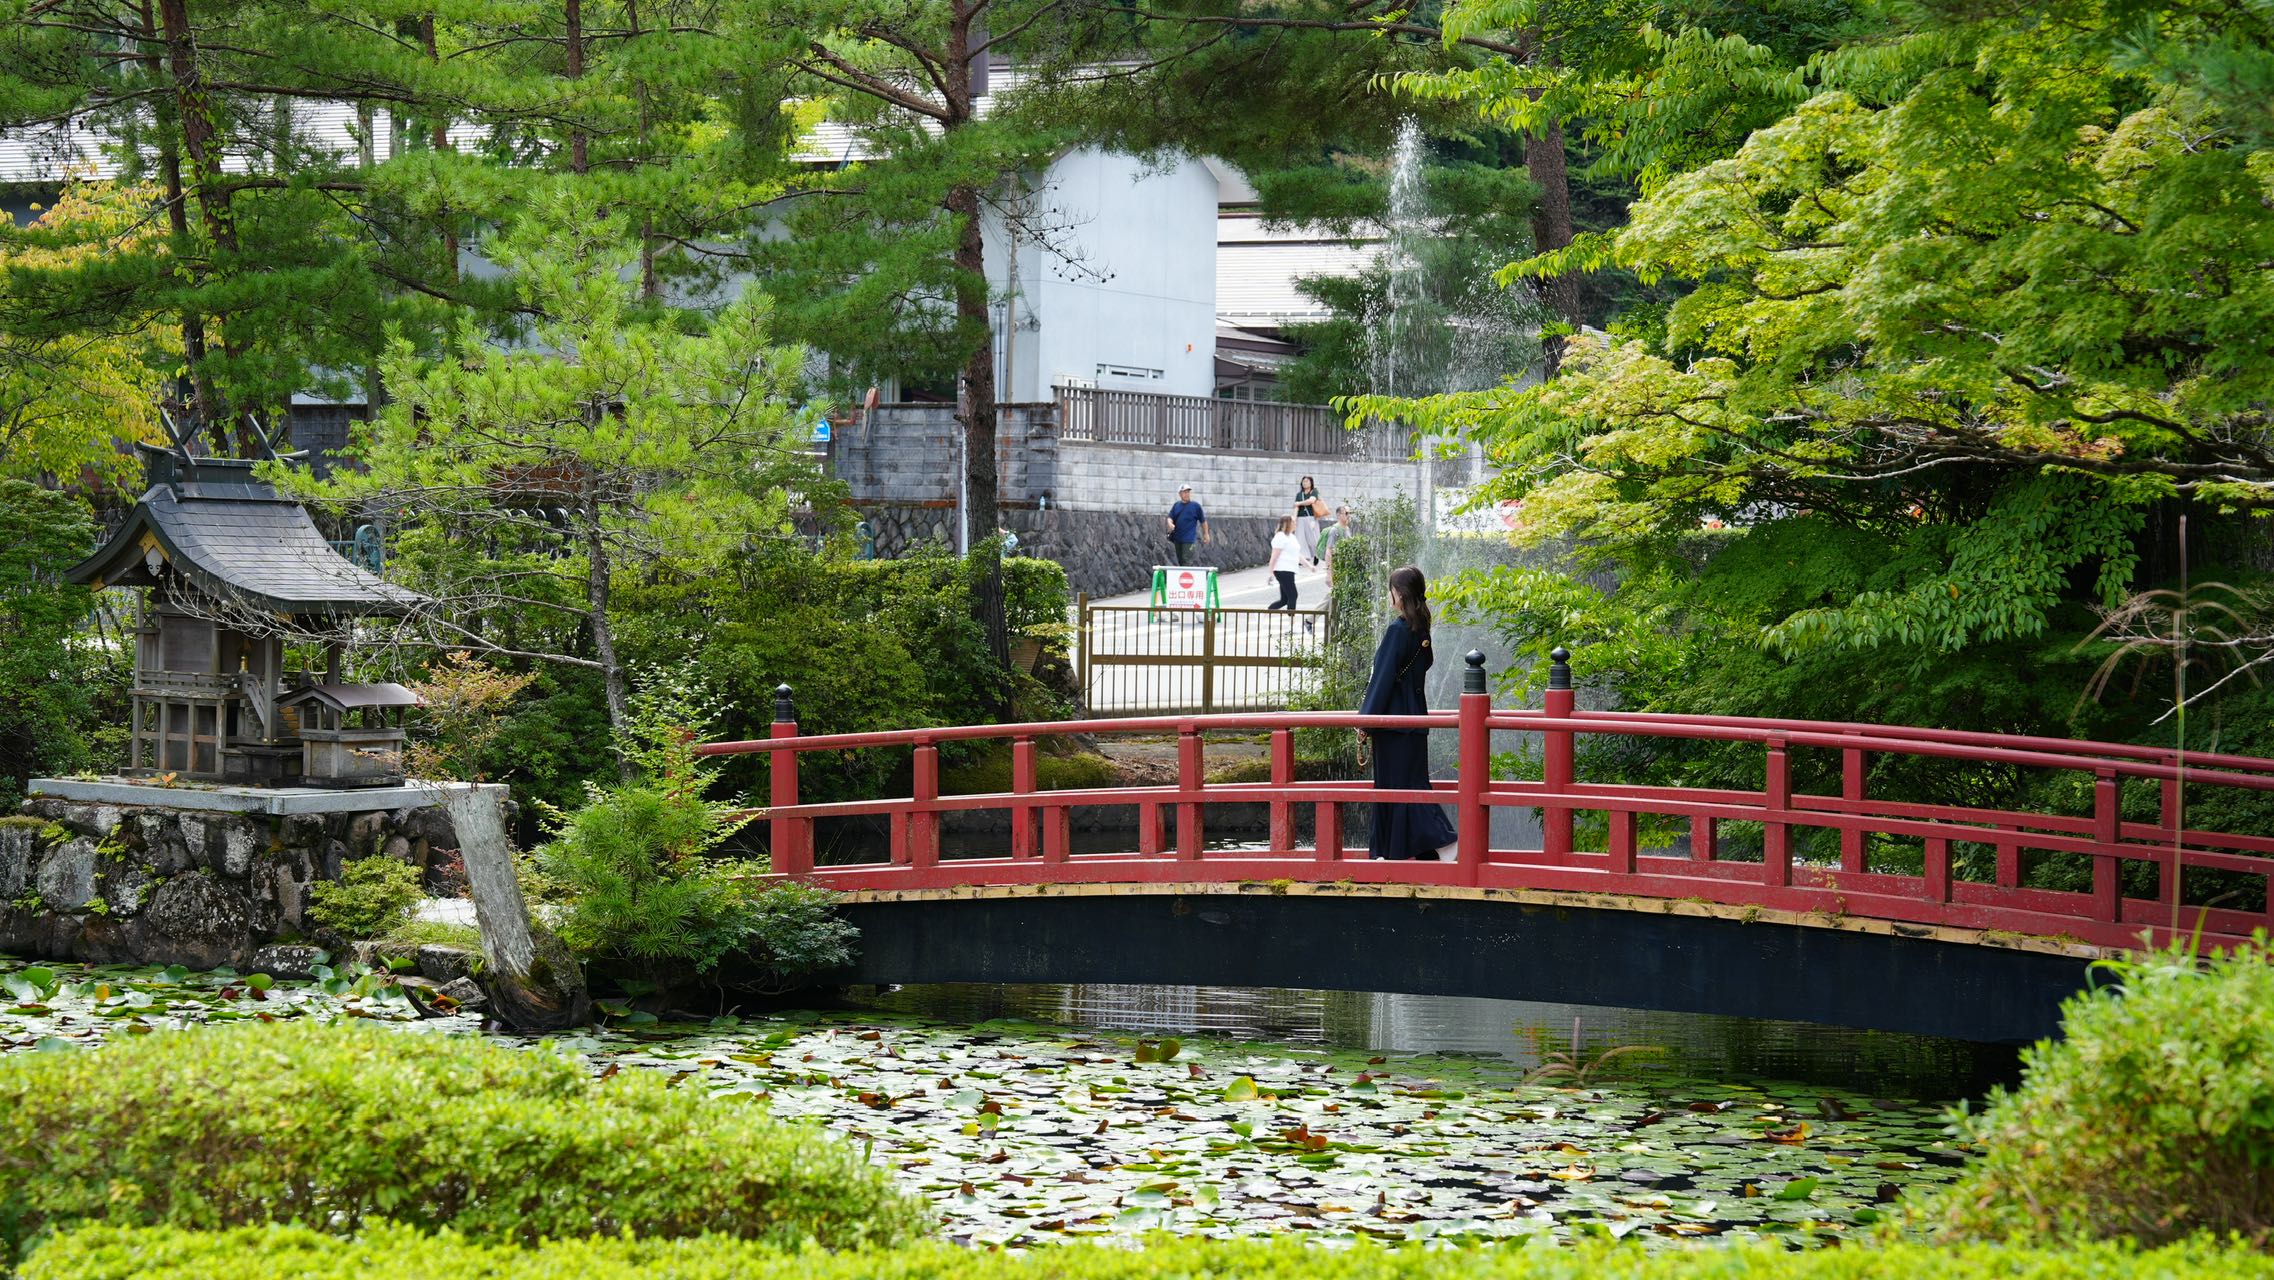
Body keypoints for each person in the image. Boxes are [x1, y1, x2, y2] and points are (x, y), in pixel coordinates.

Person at [1358, 565, 1458, 860]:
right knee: (1410, 787)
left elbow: (1382, 679)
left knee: (1395, 788)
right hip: (1414, 722)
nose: (1389, 596)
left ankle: (1443, 841)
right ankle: (1403, 853)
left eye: (1391, 590)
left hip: (1394, 725)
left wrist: (1365, 721)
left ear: (1399, 594)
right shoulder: (1420, 630)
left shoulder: (1397, 630)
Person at [1165, 484, 1209, 567]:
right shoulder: (1176, 505)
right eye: (1184, 492)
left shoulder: (1196, 506)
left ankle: (1187, 574)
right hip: (1177, 538)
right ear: (1180, 494)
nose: (1187, 494)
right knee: (1180, 561)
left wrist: (1206, 534)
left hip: (1189, 539)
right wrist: (1170, 523)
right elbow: (1170, 517)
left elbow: (1203, 521)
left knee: (1187, 561)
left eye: (1188, 492)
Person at [1265, 515, 1300, 611]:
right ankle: (1291, 618)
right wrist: (1270, 572)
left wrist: (1309, 566)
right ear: (1287, 524)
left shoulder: (1292, 537)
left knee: (1285, 599)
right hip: (1282, 570)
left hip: (1290, 570)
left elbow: (1298, 554)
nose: (1295, 524)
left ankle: (1265, 613)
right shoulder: (1280, 537)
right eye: (1293, 522)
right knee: (1293, 595)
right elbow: (1274, 556)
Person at [1293, 475, 1324, 567]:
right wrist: (1294, 518)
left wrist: (1299, 503)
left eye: (1307, 481)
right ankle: (1302, 558)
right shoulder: (1299, 495)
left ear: (1311, 483)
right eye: (1303, 481)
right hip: (1300, 518)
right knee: (1300, 538)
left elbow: (1311, 501)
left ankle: (1316, 554)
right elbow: (1296, 507)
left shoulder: (1314, 492)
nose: (1305, 483)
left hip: (1311, 518)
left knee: (1313, 538)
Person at [1317, 506, 1354, 579]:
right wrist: (1329, 575)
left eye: (1350, 513)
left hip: (1345, 568)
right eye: (1346, 513)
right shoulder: (1334, 530)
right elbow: (1328, 552)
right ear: (1338, 515)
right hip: (1337, 568)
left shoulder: (1347, 529)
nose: (1349, 515)